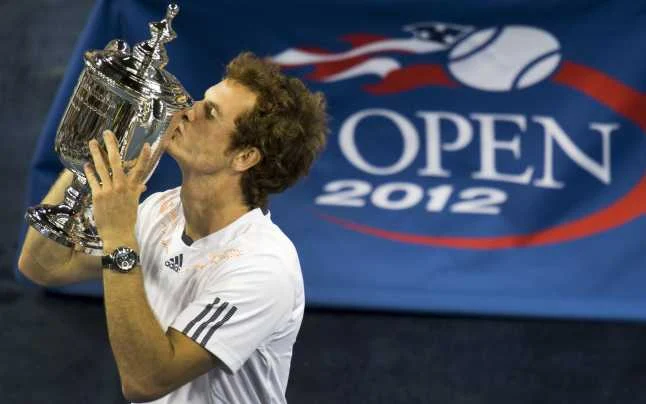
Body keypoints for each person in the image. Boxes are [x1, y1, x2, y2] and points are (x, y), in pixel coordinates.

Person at [18, 52, 328, 403]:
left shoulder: (263, 268)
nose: (187, 110)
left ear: (244, 157)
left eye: (210, 113)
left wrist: (120, 238)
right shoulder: (161, 210)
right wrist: (88, 162)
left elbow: (147, 381)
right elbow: (43, 265)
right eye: (201, 101)